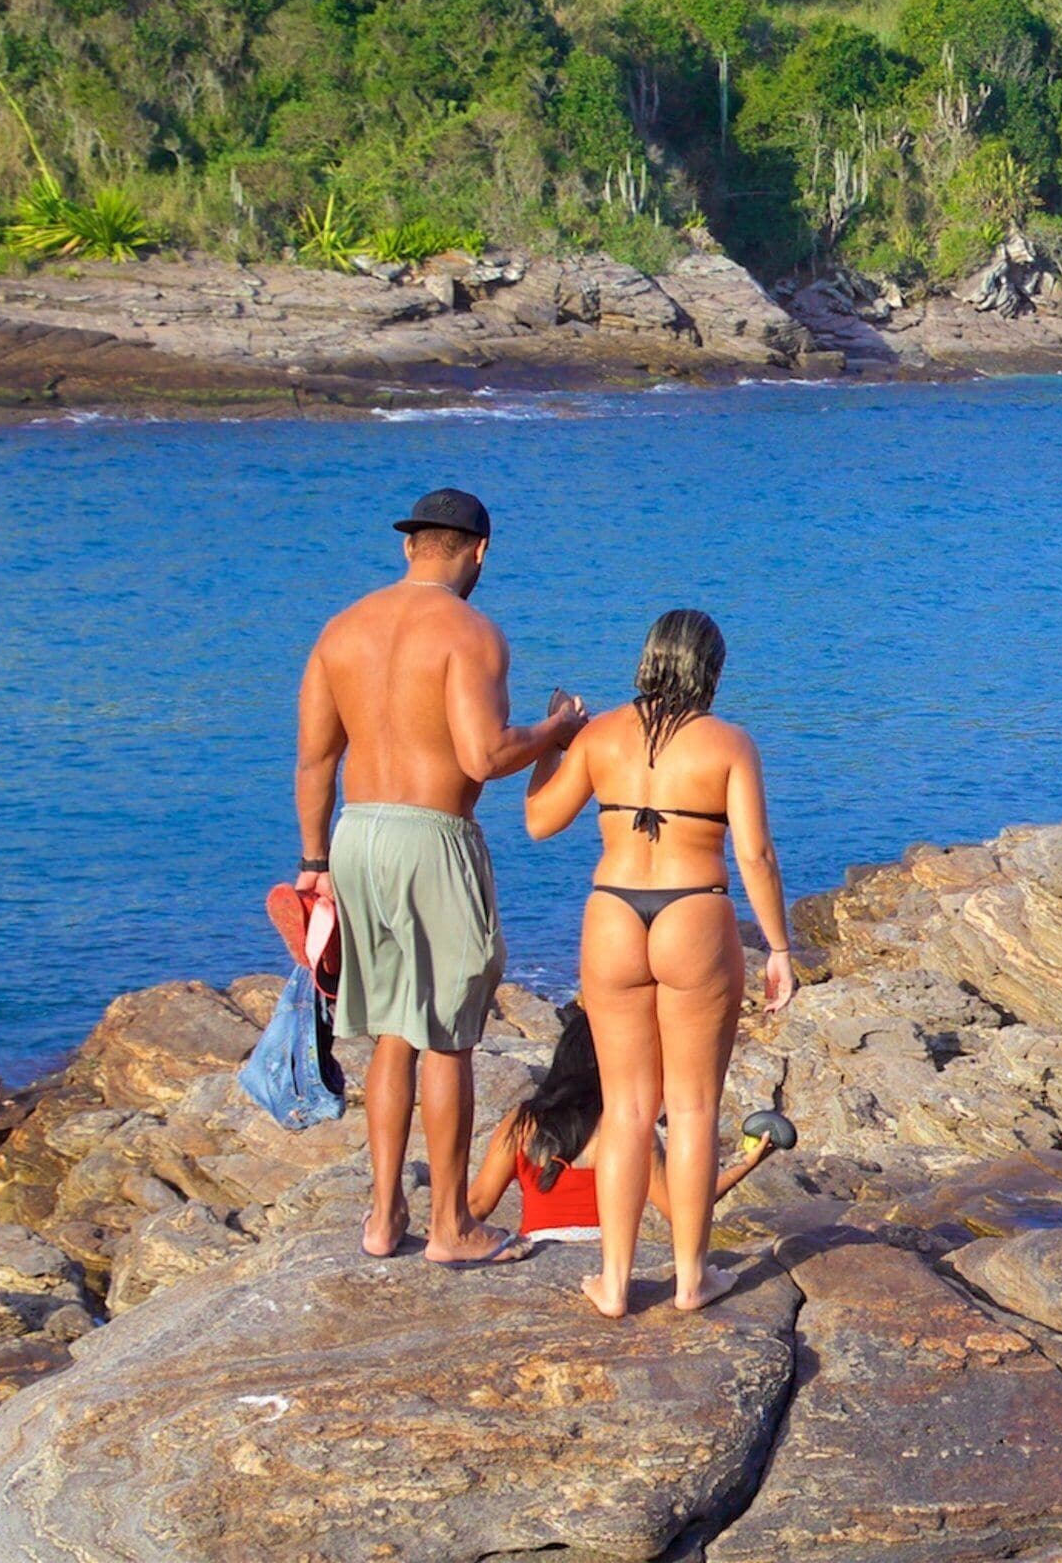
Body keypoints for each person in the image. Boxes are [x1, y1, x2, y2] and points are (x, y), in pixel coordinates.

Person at [294, 487, 585, 1263]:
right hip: (432, 836)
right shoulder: (470, 632)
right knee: (448, 1036)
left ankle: (383, 1217)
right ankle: (452, 1227)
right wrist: (556, 729)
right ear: (479, 551)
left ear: (409, 546)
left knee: (395, 1031)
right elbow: (483, 756)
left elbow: (316, 761)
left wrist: (313, 863)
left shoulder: (341, 629)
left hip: (355, 836)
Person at [525, 608, 797, 1318]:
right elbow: (755, 855)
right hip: (693, 912)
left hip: (613, 912)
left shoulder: (599, 736)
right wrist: (779, 948)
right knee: (696, 1106)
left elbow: (540, 821)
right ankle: (690, 1280)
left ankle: (614, 1284)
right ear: (711, 670)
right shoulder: (729, 743)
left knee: (626, 1108)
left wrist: (553, 740)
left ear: (648, 659)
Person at [463, 1003, 779, 1245]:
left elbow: (477, 1204)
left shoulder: (523, 1122)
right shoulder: (628, 1127)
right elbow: (679, 1210)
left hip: (539, 1251)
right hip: (608, 1256)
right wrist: (746, 1163)